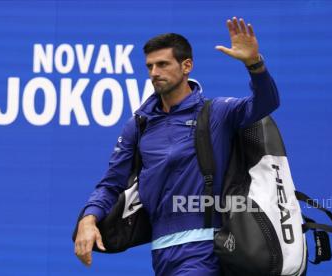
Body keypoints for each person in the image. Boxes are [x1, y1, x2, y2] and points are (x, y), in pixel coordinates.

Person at [74, 17, 280, 275]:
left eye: (162, 64)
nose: (154, 73)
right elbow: (112, 183)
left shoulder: (217, 112)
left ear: (187, 66)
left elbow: (266, 102)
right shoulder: (138, 125)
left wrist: (254, 64)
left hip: (208, 249)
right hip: (162, 252)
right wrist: (88, 218)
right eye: (149, 66)